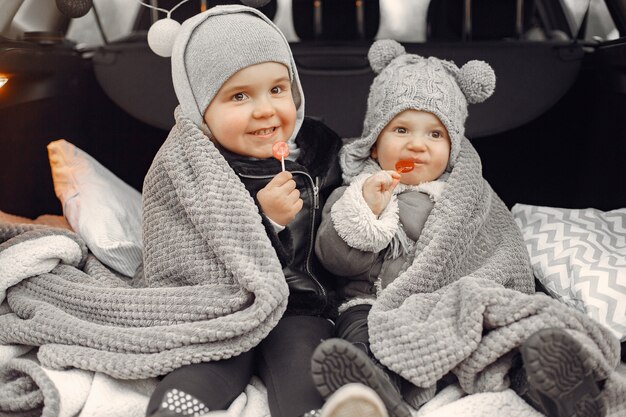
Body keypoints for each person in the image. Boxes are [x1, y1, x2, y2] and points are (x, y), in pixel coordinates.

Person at [311, 39, 610, 417]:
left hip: (457, 299)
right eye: (401, 130)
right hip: (377, 302)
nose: (418, 145)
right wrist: (366, 212)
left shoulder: (466, 194)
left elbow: (500, 249)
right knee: (359, 333)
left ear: (452, 148)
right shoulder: (356, 191)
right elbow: (336, 261)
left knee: (503, 335)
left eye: (435, 134)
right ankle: (374, 396)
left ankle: (552, 385)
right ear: (374, 144)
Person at [142, 5, 386, 417]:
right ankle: (176, 409)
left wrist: (366, 206)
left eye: (277, 89)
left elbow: (341, 236)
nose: (265, 110)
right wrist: (266, 220)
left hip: (300, 304)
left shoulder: (320, 150)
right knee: (205, 364)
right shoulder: (186, 166)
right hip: (222, 306)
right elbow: (178, 254)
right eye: (239, 96)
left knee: (303, 364)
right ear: (201, 109)